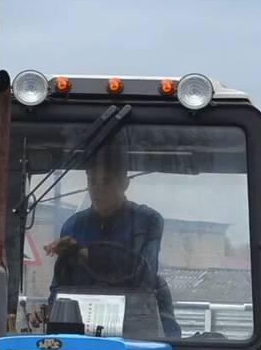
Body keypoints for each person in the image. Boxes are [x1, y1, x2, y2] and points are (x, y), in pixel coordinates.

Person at [47, 139, 176, 334]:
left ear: (124, 182)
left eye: (105, 181)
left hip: (137, 320)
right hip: (81, 326)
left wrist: (84, 253)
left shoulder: (147, 221)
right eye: (92, 181)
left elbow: (144, 274)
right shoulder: (73, 225)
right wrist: (50, 312)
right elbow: (61, 284)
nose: (97, 189)